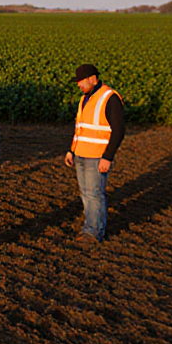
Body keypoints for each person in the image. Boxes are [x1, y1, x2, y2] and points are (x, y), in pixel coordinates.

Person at [64, 64, 124, 245]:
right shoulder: (85, 98)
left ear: (92, 78)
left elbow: (119, 130)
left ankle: (93, 233)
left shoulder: (109, 98)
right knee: (86, 194)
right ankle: (89, 227)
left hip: (97, 157)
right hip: (81, 154)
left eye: (81, 81)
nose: (78, 85)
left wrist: (108, 156)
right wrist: (72, 150)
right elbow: (81, 128)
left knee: (94, 194)